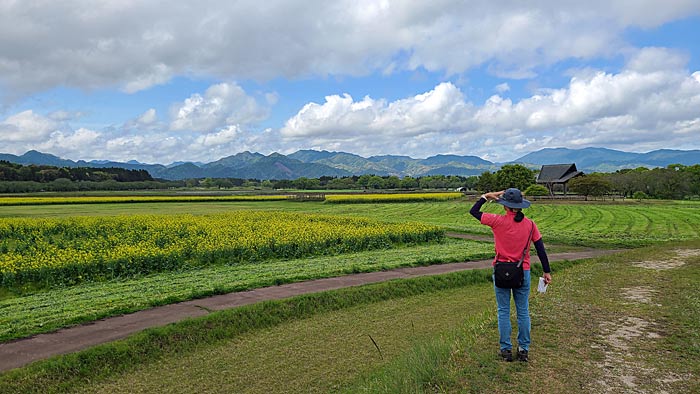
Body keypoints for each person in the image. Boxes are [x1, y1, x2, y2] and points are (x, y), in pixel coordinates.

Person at [470, 188, 552, 362]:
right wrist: (546, 271)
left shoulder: (497, 221)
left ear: (505, 205)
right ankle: (523, 350)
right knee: (523, 311)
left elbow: (474, 211)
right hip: (523, 271)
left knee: (503, 311)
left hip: (501, 270)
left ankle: (506, 350)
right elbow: (541, 249)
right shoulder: (530, 225)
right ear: (520, 206)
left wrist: (485, 197)